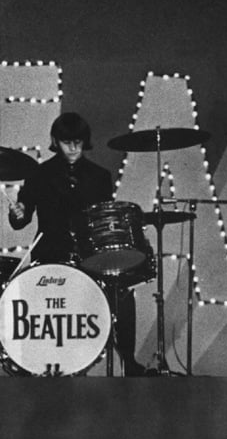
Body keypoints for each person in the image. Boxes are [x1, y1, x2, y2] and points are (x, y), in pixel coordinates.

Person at [10, 111, 146, 376]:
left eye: (78, 142)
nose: (73, 148)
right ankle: (38, 364)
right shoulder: (39, 174)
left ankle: (128, 361)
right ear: (55, 141)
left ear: (85, 141)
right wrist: (18, 213)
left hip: (89, 259)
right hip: (50, 256)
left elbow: (104, 220)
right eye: (66, 142)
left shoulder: (100, 176)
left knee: (124, 291)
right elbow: (20, 220)